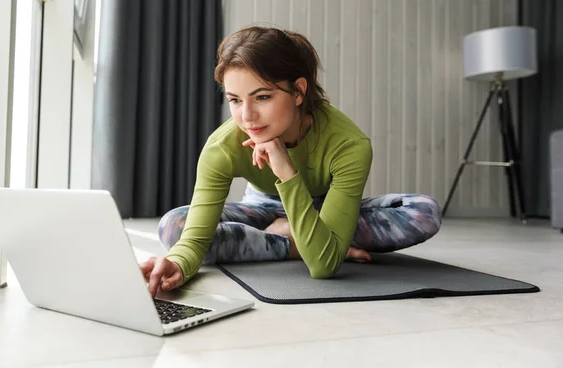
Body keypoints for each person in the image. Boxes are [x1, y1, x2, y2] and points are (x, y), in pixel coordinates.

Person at [139, 26, 442, 297]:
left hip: (325, 208)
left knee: (423, 213)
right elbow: (191, 243)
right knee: (174, 226)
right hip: (263, 208)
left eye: (262, 97)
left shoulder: (349, 144)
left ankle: (301, 237)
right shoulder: (222, 146)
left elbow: (323, 268)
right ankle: (292, 243)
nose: (247, 117)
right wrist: (177, 263)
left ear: (298, 91)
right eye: (235, 100)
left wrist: (286, 170)